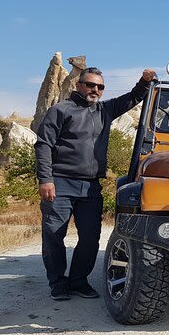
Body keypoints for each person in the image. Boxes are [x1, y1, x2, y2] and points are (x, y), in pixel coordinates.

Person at [34, 67, 156, 300]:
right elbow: (43, 145)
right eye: (91, 85)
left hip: (91, 186)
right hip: (60, 182)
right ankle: (58, 283)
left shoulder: (105, 110)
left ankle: (78, 281)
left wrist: (144, 80)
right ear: (78, 85)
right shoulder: (60, 110)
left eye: (100, 87)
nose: (95, 90)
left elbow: (133, 97)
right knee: (53, 234)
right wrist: (46, 179)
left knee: (90, 237)